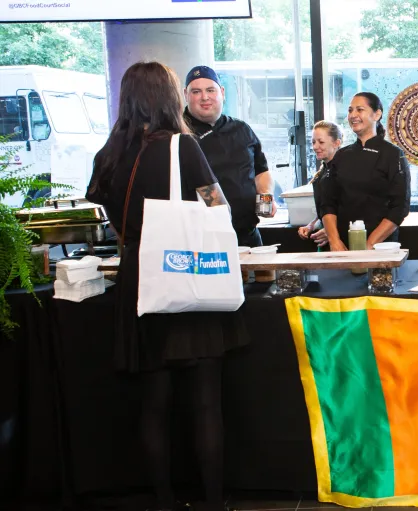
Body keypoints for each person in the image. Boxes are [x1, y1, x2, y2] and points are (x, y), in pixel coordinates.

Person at [86, 62, 246, 511]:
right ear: (169, 98)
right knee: (205, 405)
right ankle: (213, 502)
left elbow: (108, 217)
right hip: (187, 275)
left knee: (153, 405)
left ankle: (163, 500)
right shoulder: (183, 147)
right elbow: (218, 209)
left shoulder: (110, 153)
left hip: (141, 282)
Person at [183, 65, 275, 248]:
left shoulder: (242, 129)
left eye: (210, 90)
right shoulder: (179, 135)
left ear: (222, 92)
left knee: (264, 277)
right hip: (203, 241)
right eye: (196, 91)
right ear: (185, 94)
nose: (204, 97)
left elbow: (261, 171)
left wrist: (266, 196)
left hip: (248, 234)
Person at [319, 92, 410, 251]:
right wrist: (334, 241)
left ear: (377, 114)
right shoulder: (341, 155)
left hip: (381, 248)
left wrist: (369, 245)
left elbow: (399, 208)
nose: (353, 115)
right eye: (350, 110)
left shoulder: (393, 154)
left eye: (359, 110)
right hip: (343, 249)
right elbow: (328, 203)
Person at [297, 120, 343, 248]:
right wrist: (311, 225)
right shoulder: (323, 171)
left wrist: (332, 232)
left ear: (336, 143)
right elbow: (324, 210)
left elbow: (353, 210)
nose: (315, 147)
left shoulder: (345, 171)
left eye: (321, 142)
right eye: (313, 142)